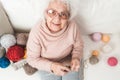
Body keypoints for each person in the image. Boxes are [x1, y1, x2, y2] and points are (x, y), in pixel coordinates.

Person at [26, 0, 84, 80]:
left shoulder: (72, 26)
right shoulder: (36, 32)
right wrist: (52, 66)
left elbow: (78, 46)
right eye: (51, 12)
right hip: (47, 64)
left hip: (68, 59)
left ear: (69, 17)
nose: (57, 19)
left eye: (63, 14)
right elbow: (32, 59)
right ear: (44, 13)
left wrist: (76, 57)